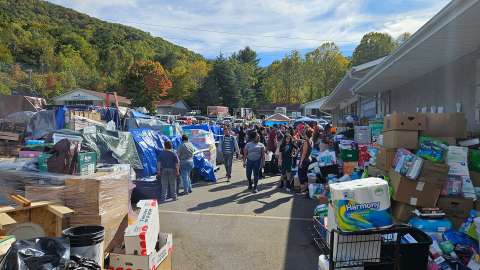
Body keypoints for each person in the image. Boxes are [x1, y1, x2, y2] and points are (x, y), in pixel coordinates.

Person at [298, 128, 313, 193]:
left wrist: (301, 162)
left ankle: (302, 188)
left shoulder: (306, 142)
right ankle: (306, 187)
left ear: (306, 134)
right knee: (304, 174)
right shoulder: (311, 141)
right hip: (309, 159)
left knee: (300, 174)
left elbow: (304, 153)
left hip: (305, 160)